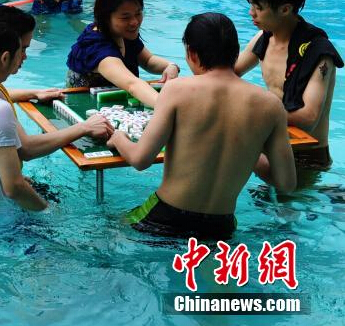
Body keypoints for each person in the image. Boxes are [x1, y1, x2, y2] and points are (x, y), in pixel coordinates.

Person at [112, 13, 296, 241]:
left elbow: (141, 160)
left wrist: (118, 137)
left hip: (165, 217)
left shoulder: (177, 90)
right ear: (235, 52)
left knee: (113, 225)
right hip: (221, 227)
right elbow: (286, 182)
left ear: (191, 53)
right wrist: (249, 151)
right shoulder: (271, 105)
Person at [0, 17, 112, 212]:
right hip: (2, 220)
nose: (23, 58)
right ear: (5, 58)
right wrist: (49, 211)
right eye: (21, 51)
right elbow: (14, 187)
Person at [0, 6, 112, 160]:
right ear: (6, 49)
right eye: (23, 49)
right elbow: (25, 148)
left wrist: (33, 93)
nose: (25, 56)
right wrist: (83, 127)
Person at [235, 0, 342, 179]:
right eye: (251, 5)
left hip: (306, 157)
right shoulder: (264, 38)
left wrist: (254, 114)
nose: (251, 13)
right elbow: (227, 74)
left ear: (285, 9)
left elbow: (309, 116)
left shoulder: (318, 52)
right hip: (274, 143)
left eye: (258, 7)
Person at [66, 0, 179, 107]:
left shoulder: (122, 32)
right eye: (125, 17)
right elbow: (132, 85)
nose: (134, 22)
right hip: (87, 107)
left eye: (138, 13)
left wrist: (170, 66)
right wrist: (169, 109)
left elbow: (148, 61)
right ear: (105, 17)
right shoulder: (98, 50)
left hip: (114, 101)